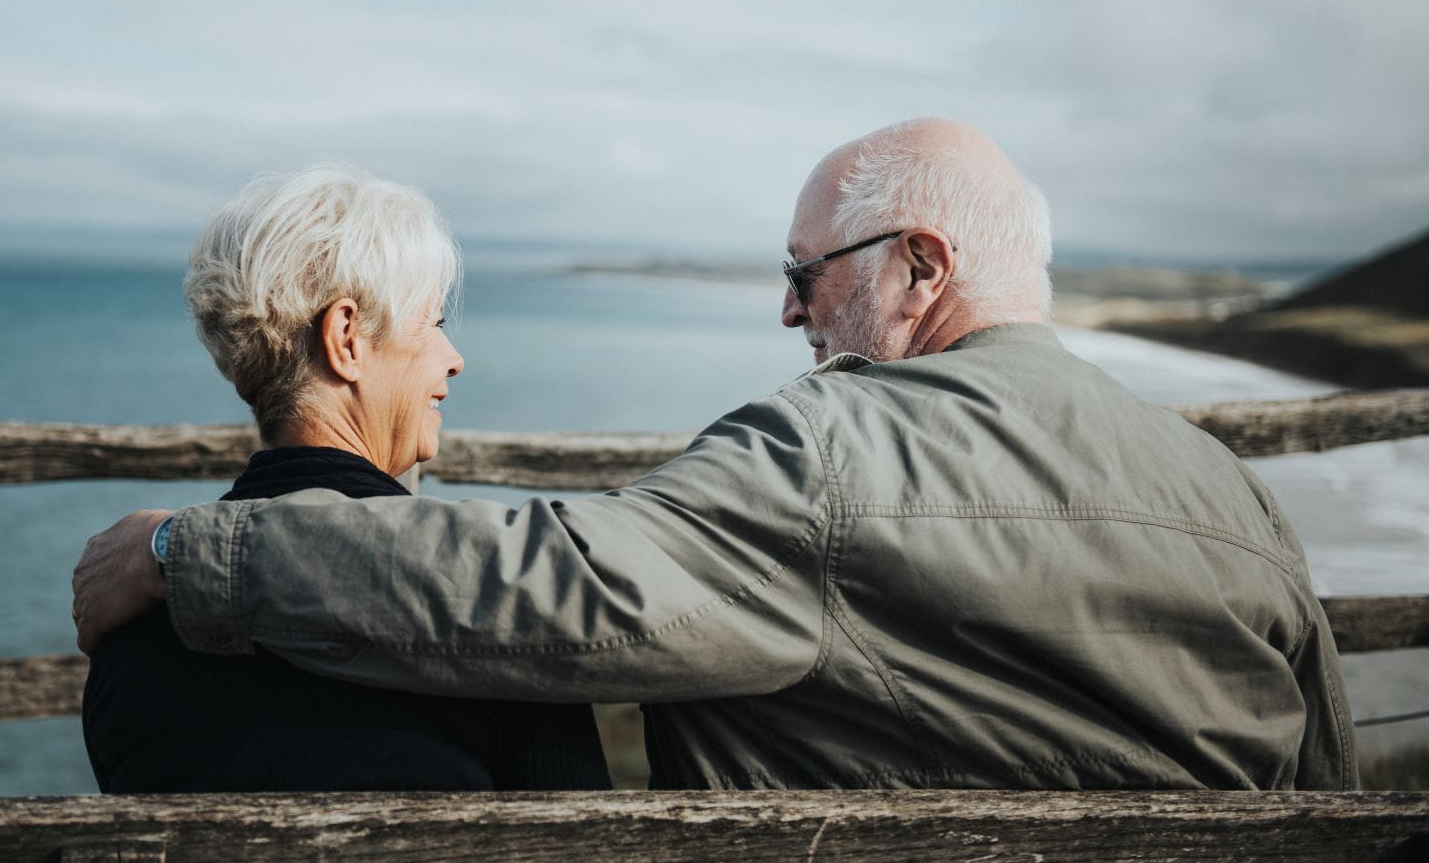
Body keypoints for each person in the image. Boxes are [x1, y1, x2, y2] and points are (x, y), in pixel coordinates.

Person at [74, 118, 1356, 790]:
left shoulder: (832, 455)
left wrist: (192, 551)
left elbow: (557, 593)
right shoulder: (1232, 494)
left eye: (804, 274)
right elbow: (1326, 775)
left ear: (919, 266)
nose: (787, 312)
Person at [79, 166, 610, 792]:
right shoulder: (496, 610)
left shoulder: (129, 628)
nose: (454, 358)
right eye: (434, 323)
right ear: (347, 338)